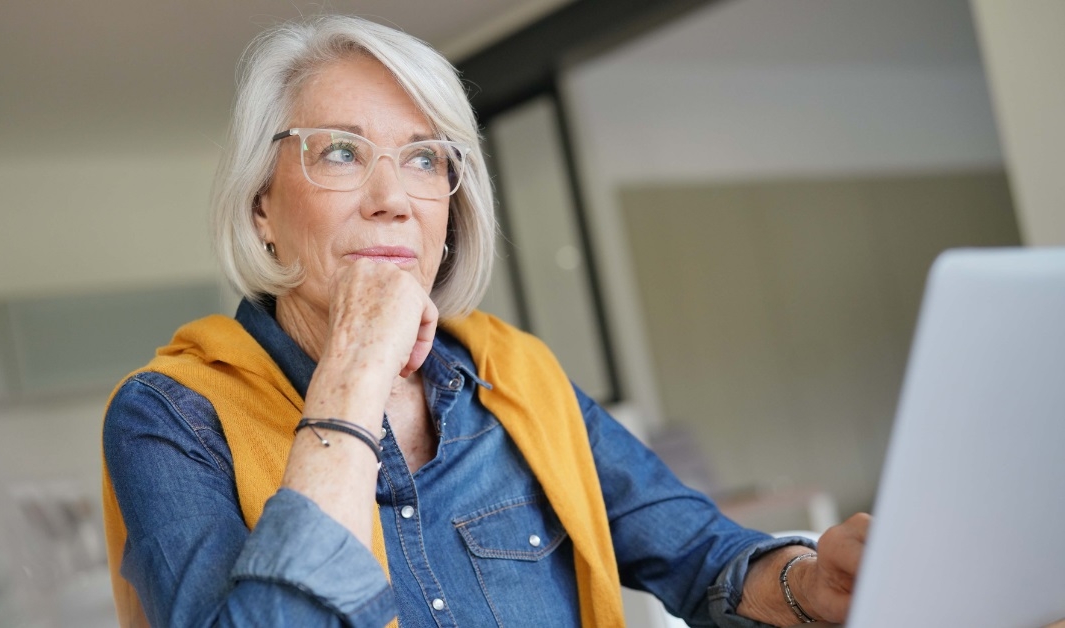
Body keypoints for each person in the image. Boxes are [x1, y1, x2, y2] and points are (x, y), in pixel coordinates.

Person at [101, 14, 869, 628]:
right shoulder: (169, 416)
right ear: (261, 206)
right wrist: (354, 373)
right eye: (339, 153)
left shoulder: (517, 376)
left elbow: (703, 556)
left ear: (451, 210)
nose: (392, 196)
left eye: (426, 158)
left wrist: (810, 586)